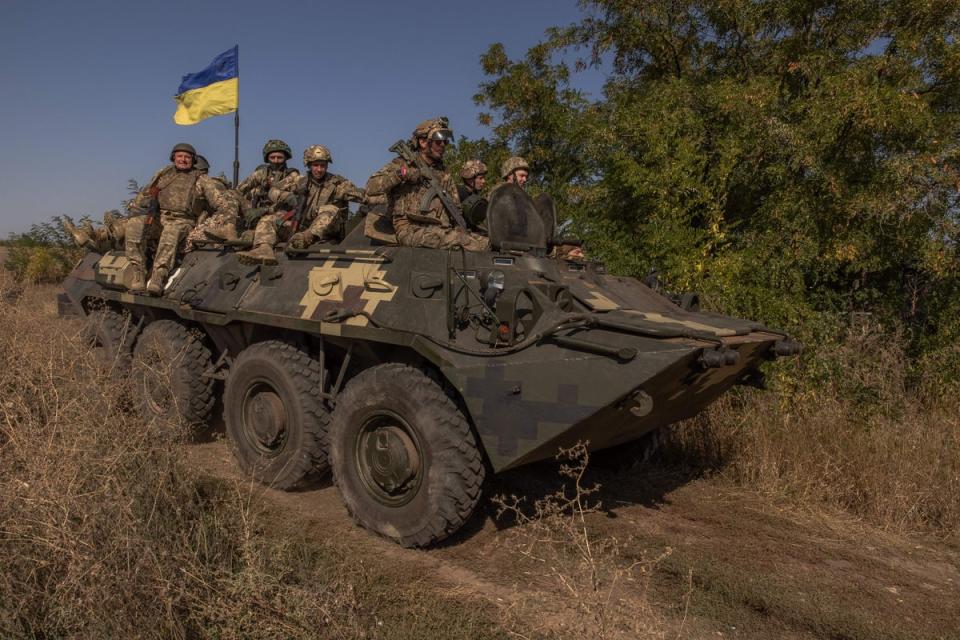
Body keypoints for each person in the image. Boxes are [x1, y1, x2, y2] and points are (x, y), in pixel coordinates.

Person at [125, 143, 238, 295]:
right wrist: (141, 206)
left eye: (187, 157)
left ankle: (158, 276)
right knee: (134, 224)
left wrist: (222, 220)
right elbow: (147, 194)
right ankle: (138, 272)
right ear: (173, 158)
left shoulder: (201, 179)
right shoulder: (164, 174)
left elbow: (220, 203)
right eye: (179, 156)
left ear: (193, 160)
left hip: (183, 221)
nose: (183, 160)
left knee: (171, 233)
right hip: (159, 218)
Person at [365, 117, 489, 251]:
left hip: (441, 230)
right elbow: (371, 187)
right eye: (438, 142)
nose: (443, 146)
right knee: (466, 242)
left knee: (487, 242)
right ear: (423, 142)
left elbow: (455, 206)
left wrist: (461, 227)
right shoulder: (403, 164)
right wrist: (402, 174)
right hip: (410, 229)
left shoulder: (443, 172)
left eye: (445, 142)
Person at [235, 144, 363, 265]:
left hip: (327, 229)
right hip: (302, 226)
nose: (319, 169)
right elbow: (272, 191)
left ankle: (305, 238)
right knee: (270, 219)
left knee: (330, 209)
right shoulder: (300, 181)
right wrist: (287, 197)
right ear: (309, 165)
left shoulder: (338, 184)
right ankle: (264, 249)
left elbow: (363, 196)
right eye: (315, 165)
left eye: (322, 165)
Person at [184, 155, 245, 250]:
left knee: (187, 243)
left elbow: (225, 206)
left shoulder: (207, 184)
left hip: (219, 224)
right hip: (204, 222)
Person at [457, 159, 488, 232]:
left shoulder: (473, 194)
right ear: (469, 179)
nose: (484, 181)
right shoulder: (459, 194)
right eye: (480, 178)